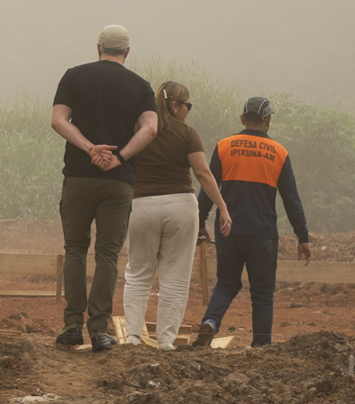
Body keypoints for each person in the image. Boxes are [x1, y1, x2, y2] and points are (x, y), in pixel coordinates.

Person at [50, 25, 158, 352]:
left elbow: (58, 120)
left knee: (75, 249)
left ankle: (72, 325)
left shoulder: (73, 76)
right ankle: (99, 329)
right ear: (128, 52)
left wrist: (89, 148)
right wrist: (119, 157)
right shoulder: (140, 86)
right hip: (117, 182)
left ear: (98, 47)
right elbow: (151, 128)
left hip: (79, 178)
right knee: (108, 254)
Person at [193, 96, 311, 348]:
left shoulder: (224, 147)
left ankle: (211, 321)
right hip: (263, 235)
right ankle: (260, 347)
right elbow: (292, 200)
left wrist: (200, 221)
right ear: (268, 122)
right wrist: (303, 237)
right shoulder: (279, 153)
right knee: (262, 293)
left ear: (242, 119)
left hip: (229, 231)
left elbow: (208, 188)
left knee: (226, 283)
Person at [122, 81, 231, 350]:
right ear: (175, 105)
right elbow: (203, 174)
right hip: (181, 207)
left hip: (142, 206)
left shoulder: (138, 130)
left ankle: (133, 337)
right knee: (175, 277)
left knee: (138, 273)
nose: (188, 111)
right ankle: (167, 341)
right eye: (187, 106)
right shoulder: (187, 133)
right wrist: (223, 207)